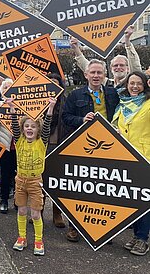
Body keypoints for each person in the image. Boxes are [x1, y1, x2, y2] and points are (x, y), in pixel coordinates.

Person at [62, 59, 119, 242]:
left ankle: (102, 228)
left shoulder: (113, 93)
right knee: (79, 187)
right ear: (86, 75)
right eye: (92, 72)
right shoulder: (75, 95)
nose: (96, 76)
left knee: (103, 189)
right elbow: (65, 117)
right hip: (83, 147)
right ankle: (74, 227)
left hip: (108, 148)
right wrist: (81, 120)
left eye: (99, 73)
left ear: (104, 75)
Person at [9, 96, 56, 256]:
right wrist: (11, 108)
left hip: (36, 182)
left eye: (33, 127)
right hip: (20, 181)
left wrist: (50, 108)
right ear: (23, 129)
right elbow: (14, 125)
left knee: (35, 213)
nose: (29, 129)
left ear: (38, 130)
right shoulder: (19, 141)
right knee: (21, 211)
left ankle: (38, 240)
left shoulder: (41, 142)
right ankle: (22, 237)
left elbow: (48, 125)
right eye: (27, 126)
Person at [112, 71, 150, 256]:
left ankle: (143, 238)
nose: (134, 87)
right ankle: (136, 235)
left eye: (138, 84)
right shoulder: (122, 104)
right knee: (132, 199)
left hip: (145, 158)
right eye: (131, 83)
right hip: (125, 158)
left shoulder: (149, 104)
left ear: (145, 85)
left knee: (144, 199)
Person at [71, 26, 142, 88]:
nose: (118, 67)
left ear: (128, 68)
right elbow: (88, 67)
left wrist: (127, 40)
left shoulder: (131, 83)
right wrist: (76, 48)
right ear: (111, 69)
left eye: (122, 65)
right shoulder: (107, 83)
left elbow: (135, 64)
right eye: (115, 65)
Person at [0, 78, 16, 214]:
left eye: (10, 87)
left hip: (19, 146)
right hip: (5, 145)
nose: (7, 90)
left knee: (18, 175)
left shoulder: (21, 105)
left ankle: (18, 201)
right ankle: (4, 200)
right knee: (5, 174)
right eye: (5, 88)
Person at [45, 73, 67, 228]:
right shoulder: (37, 102)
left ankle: (57, 213)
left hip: (60, 144)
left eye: (56, 83)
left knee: (58, 181)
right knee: (41, 180)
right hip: (42, 146)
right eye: (50, 83)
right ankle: (38, 210)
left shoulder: (66, 102)